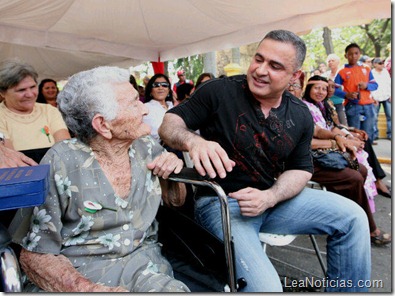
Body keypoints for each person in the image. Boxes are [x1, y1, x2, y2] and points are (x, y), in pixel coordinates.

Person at [159, 29, 371, 292]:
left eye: (274, 66)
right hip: (222, 203)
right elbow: (169, 123)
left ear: (295, 76)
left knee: (354, 217)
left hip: (273, 199)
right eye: (258, 59)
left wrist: (270, 197)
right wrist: (194, 141)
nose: (260, 70)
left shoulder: (301, 114)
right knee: (267, 289)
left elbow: (301, 169)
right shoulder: (219, 91)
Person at [9, 66, 190, 293]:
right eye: (134, 102)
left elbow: (175, 201)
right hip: (76, 274)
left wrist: (174, 170)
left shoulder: (147, 146)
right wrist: (88, 289)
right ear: (103, 124)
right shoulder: (61, 161)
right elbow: (34, 254)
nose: (144, 109)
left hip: (145, 267)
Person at [302, 75, 390, 245]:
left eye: (323, 88)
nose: (320, 92)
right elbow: (309, 142)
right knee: (355, 177)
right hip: (311, 159)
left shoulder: (320, 106)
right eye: (316, 88)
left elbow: (323, 130)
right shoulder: (301, 107)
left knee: (361, 169)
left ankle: (347, 217)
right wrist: (337, 142)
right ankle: (369, 229)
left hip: (327, 154)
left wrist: (346, 136)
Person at [0, 60, 70, 156]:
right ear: (3, 93)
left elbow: (65, 149)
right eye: (21, 90)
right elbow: (10, 157)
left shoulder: (49, 111)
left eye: (33, 87)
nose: (30, 94)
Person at [334, 43, 378, 143]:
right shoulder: (342, 71)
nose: (353, 56)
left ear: (359, 54)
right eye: (350, 54)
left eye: (356, 53)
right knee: (355, 134)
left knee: (369, 134)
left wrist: (367, 85)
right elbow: (335, 90)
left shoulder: (366, 69)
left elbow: (375, 85)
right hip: (352, 106)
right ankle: (357, 158)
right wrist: (346, 95)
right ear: (346, 56)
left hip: (368, 105)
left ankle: (368, 157)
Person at [143, 74, 174, 143]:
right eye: (156, 85)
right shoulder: (146, 108)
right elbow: (152, 133)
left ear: (169, 90)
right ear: (150, 90)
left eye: (164, 85)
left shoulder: (173, 107)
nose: (160, 87)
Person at [323, 53, 347, 125]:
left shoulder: (343, 73)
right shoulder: (325, 75)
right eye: (329, 61)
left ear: (338, 62)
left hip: (340, 102)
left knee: (343, 123)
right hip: (328, 103)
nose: (330, 62)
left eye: (332, 60)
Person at [371, 58, 391, 140]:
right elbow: (371, 86)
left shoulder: (385, 72)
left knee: (390, 116)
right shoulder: (372, 73)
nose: (382, 64)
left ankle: (390, 134)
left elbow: (390, 84)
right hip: (376, 97)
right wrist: (373, 97)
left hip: (386, 96)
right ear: (375, 64)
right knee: (375, 116)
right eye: (380, 63)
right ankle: (375, 134)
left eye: (382, 63)